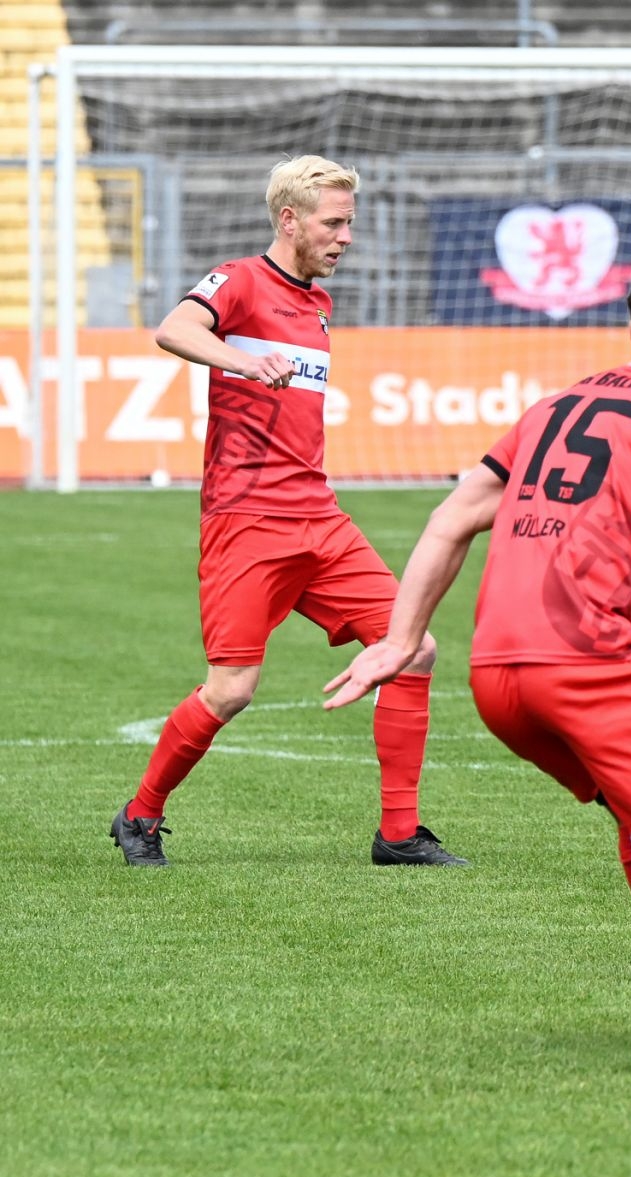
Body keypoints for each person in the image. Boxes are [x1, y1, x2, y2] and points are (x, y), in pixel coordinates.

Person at [324, 256, 631, 1073]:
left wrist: (403, 640)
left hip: (497, 673)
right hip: (585, 659)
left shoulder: (554, 405)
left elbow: (451, 517)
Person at [108, 155, 461, 870]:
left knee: (413, 648)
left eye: (349, 224)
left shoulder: (319, 305)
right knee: (232, 689)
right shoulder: (237, 281)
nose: (346, 237)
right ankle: (139, 816)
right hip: (248, 522)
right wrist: (238, 362)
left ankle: (398, 833)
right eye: (334, 223)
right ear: (289, 220)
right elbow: (173, 329)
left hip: (319, 517)